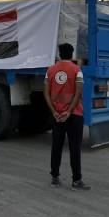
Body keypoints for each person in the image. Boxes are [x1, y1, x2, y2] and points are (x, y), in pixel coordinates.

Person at [44, 43, 90, 190]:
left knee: (56, 147)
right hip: (74, 115)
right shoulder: (77, 70)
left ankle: (55, 178)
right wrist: (69, 111)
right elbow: (78, 93)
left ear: (59, 54)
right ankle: (76, 181)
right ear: (72, 54)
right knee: (74, 148)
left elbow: (46, 92)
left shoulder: (50, 70)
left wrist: (53, 111)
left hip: (57, 114)